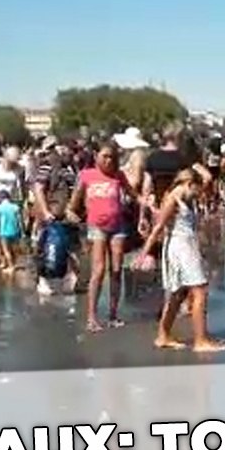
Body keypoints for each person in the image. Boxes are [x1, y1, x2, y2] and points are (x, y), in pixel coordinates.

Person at [139, 168, 225, 353]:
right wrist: (144, 253)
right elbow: (158, 228)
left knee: (178, 294)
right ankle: (200, 340)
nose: (198, 193)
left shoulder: (186, 198)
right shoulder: (173, 198)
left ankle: (163, 335)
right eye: (196, 189)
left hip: (187, 246)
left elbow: (208, 181)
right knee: (200, 290)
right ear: (189, 184)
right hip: (180, 248)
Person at [69, 142, 136, 331]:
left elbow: (132, 193)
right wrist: (71, 213)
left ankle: (113, 315)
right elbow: (74, 202)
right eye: (105, 156)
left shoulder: (118, 175)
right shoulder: (86, 175)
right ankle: (91, 317)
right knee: (98, 271)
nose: (108, 160)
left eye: (111, 157)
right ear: (97, 156)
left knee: (116, 270)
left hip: (118, 225)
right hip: (96, 225)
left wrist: (146, 204)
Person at [35, 202, 79, 296]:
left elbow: (39, 249)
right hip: (62, 271)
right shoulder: (67, 230)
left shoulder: (46, 229)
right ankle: (67, 286)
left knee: (41, 258)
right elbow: (72, 251)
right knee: (71, 258)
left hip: (47, 270)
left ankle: (44, 284)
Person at [0, 190, 24, 273]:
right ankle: (11, 263)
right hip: (15, 231)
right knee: (13, 249)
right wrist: (22, 231)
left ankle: (11, 267)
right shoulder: (15, 207)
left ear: (0, 198)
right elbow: (20, 220)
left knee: (6, 250)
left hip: (4, 232)